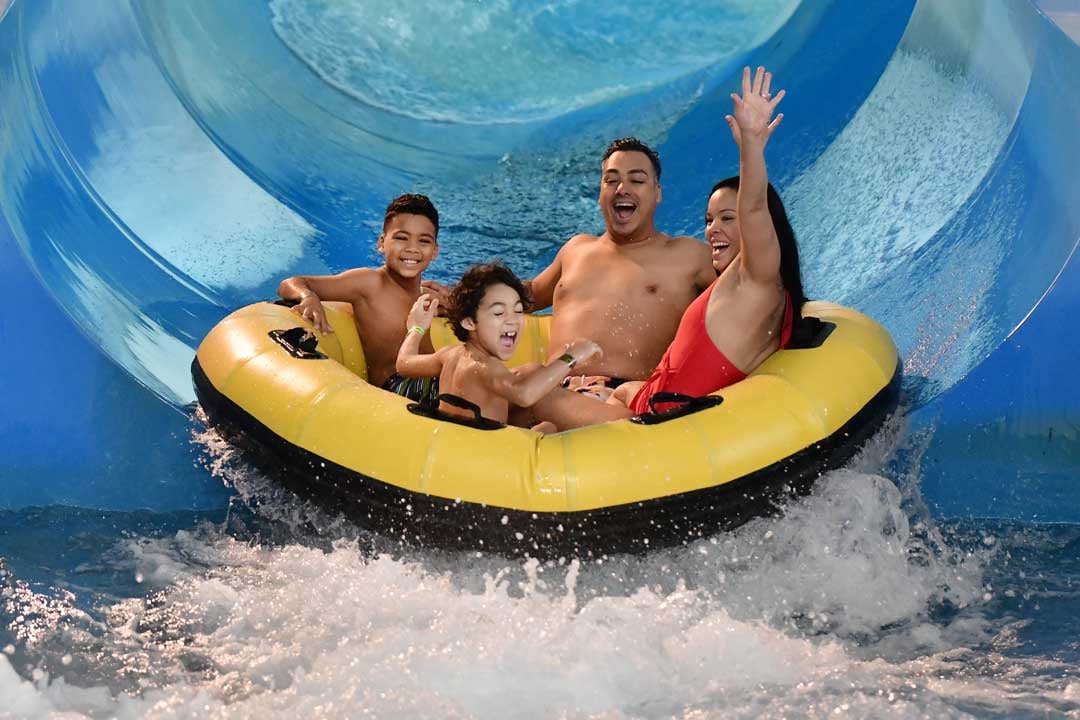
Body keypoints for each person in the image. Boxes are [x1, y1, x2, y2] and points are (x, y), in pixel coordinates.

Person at [530, 65, 806, 429]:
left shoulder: (738, 272)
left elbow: (754, 207)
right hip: (633, 401)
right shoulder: (578, 249)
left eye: (727, 218)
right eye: (709, 220)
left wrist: (751, 145)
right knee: (524, 404)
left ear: (657, 193)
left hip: (649, 423)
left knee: (524, 382)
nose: (712, 231)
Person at [526, 137, 717, 385]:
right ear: (600, 193)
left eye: (636, 180)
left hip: (620, 396)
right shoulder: (576, 249)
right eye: (611, 180)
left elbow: (751, 291)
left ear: (657, 193)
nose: (621, 189)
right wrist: (470, 291)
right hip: (552, 388)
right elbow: (527, 295)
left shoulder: (689, 256)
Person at [396, 261, 601, 432]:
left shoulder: (450, 355)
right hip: (486, 455)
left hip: (455, 440)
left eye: (518, 311)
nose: (512, 321)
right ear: (469, 322)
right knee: (549, 428)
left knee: (530, 377)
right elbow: (524, 394)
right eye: (498, 313)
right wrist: (571, 357)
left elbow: (404, 363)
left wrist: (417, 329)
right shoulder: (485, 367)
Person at [277, 193, 443, 403]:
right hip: (399, 390)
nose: (412, 248)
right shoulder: (369, 283)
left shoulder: (426, 297)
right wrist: (308, 297)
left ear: (434, 251)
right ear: (382, 243)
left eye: (424, 241)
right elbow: (291, 283)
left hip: (434, 386)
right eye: (402, 237)